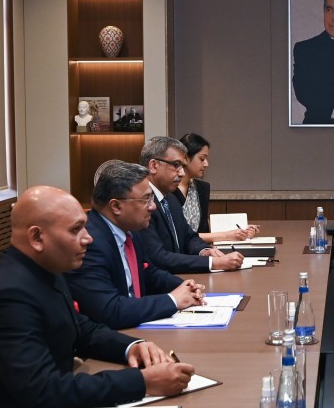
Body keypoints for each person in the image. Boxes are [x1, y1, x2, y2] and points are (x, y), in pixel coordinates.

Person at [0, 186, 195, 408]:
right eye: (76, 230)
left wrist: (131, 347)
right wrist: (142, 382)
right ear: (37, 237)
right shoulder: (8, 294)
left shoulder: (44, 268)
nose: (88, 238)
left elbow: (79, 328)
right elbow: (43, 392)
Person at [66, 161, 205, 329]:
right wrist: (173, 300)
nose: (153, 206)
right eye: (146, 199)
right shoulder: (90, 243)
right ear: (116, 206)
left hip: (136, 326)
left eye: (152, 198)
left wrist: (184, 287)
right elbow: (110, 311)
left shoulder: (130, 230)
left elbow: (147, 272)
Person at [137, 136, 243, 273]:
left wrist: (204, 251)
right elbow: (158, 257)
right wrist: (212, 263)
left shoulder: (170, 199)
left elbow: (188, 237)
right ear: (153, 166)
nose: (182, 173)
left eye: (182, 166)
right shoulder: (140, 203)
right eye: (176, 165)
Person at [171, 132, 261, 243]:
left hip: (200, 249)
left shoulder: (201, 188)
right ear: (186, 158)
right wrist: (226, 235)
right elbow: (180, 235)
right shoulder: (169, 190)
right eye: (202, 159)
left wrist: (241, 231)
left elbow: (204, 227)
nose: (206, 164)